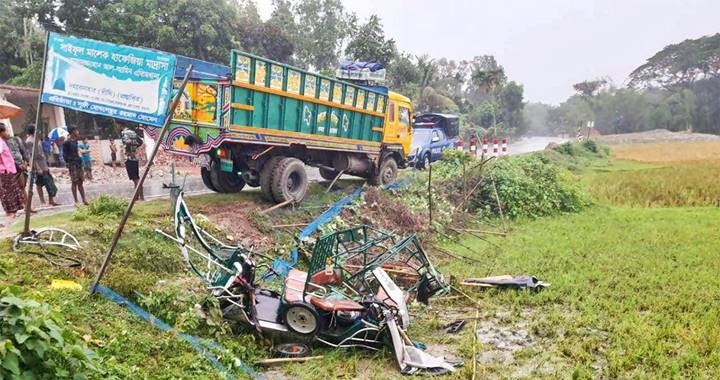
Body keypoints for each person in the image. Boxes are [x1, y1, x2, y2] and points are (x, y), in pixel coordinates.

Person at [26, 125, 59, 206]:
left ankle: (51, 200)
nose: (39, 131)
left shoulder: (37, 139)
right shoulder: (29, 141)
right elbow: (32, 156)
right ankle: (43, 202)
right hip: (38, 165)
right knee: (39, 184)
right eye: (37, 130)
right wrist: (37, 168)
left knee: (49, 182)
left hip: (43, 164)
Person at [0, 123, 25, 216]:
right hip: (4, 171)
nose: (7, 132)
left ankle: (13, 211)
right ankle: (10, 212)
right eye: (5, 130)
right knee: (7, 192)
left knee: (12, 191)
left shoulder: (3, 142)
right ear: (1, 132)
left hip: (9, 170)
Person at [62, 126, 88, 205]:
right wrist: (68, 163)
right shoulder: (67, 142)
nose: (78, 132)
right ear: (72, 132)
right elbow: (64, 154)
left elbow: (77, 152)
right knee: (74, 182)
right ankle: (76, 200)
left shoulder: (75, 141)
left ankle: (84, 199)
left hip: (78, 162)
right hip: (72, 163)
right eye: (76, 130)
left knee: (80, 181)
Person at [118, 124, 144, 201]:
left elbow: (128, 142)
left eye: (117, 125)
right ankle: (137, 197)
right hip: (135, 158)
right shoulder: (133, 132)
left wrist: (129, 152)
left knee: (136, 179)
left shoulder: (124, 133)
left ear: (119, 125)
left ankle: (141, 197)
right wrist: (134, 150)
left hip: (129, 158)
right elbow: (140, 141)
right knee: (135, 178)